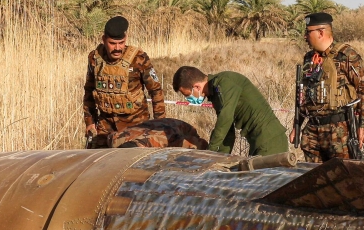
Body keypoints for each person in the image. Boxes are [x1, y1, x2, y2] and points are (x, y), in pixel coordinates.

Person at [291, 12, 364, 162]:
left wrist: (363, 125)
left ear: (321, 33)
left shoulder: (346, 55)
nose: (304, 36)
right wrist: (296, 126)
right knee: (314, 178)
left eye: (308, 32)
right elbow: (304, 96)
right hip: (312, 131)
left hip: (338, 131)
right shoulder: (309, 58)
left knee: (342, 178)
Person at [83, 16, 165, 147]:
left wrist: (160, 125)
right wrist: (89, 121)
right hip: (105, 126)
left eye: (121, 42)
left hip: (136, 126)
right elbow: (88, 91)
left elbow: (155, 91)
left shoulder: (139, 59)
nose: (117, 48)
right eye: (112, 43)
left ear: (125, 39)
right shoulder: (95, 58)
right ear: (104, 40)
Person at [172, 66, 289, 156]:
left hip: (270, 141)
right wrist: (218, 158)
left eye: (188, 95)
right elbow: (228, 132)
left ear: (196, 87)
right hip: (258, 142)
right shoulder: (216, 94)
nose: (188, 99)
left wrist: (210, 151)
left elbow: (225, 119)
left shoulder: (224, 83)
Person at [107, 118, 208, 149]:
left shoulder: (185, 128)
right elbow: (130, 149)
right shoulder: (161, 139)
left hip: (133, 131)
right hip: (120, 139)